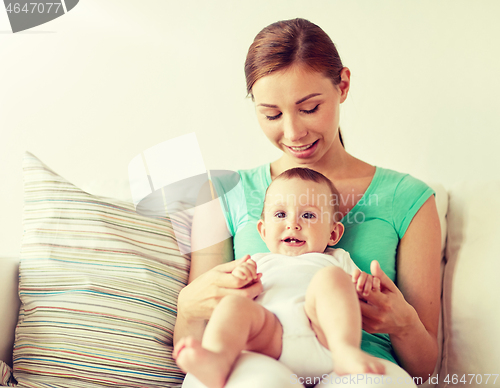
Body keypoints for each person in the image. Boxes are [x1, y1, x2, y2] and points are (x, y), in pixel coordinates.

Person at [174, 18, 441, 388]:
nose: (293, 132)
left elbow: (426, 368)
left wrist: (404, 323)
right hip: (257, 354)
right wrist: (189, 306)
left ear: (343, 85)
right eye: (272, 114)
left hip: (361, 367)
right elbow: (195, 338)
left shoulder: (407, 198)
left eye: (310, 108)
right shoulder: (222, 193)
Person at [174, 168, 385, 388]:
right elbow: (233, 293)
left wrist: (366, 286)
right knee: (235, 305)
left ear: (333, 233)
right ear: (263, 231)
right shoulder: (257, 261)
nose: (293, 224)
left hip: (323, 339)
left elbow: (357, 296)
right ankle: (218, 358)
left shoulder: (337, 259)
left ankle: (346, 351)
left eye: (308, 215)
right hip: (268, 339)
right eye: (281, 215)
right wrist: (242, 277)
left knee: (332, 278)